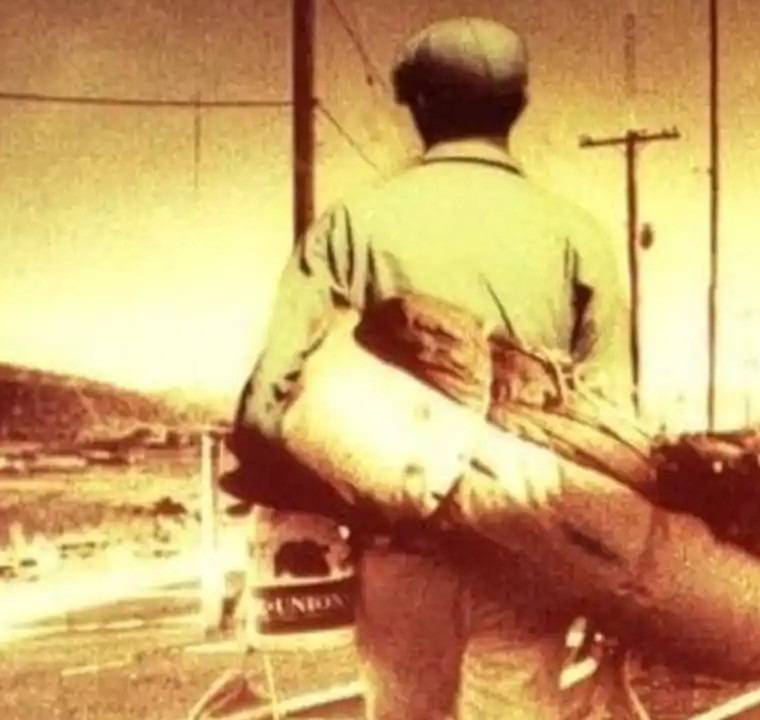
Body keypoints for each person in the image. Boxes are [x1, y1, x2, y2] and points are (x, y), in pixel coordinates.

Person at [228, 16, 632, 720]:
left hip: (399, 549)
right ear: (519, 105)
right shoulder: (577, 234)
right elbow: (611, 418)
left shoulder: (351, 225)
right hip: (529, 551)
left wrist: (296, 499)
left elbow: (270, 403)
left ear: (416, 104)